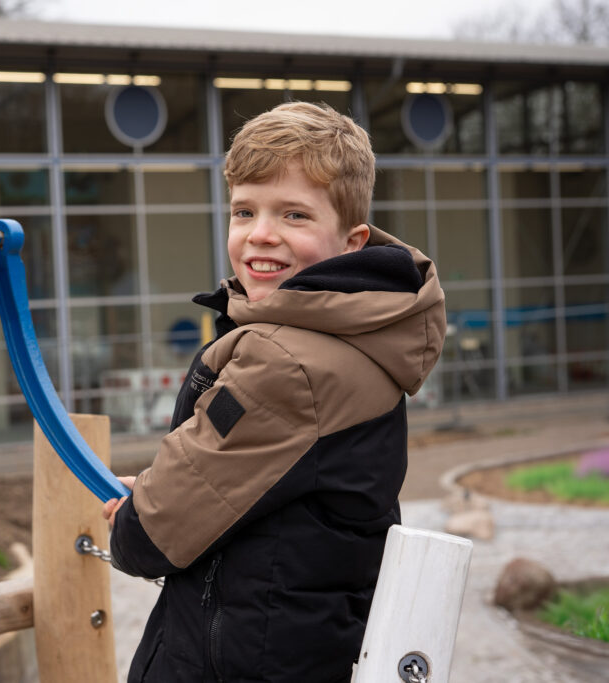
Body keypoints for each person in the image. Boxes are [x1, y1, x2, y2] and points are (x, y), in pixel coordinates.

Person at [103, 101, 446, 682]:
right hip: (302, 648)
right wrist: (164, 490)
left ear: (352, 240)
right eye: (244, 211)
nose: (260, 235)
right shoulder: (338, 339)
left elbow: (153, 538)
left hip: (245, 661)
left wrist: (134, 519)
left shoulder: (289, 363)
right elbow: (249, 482)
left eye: (294, 216)